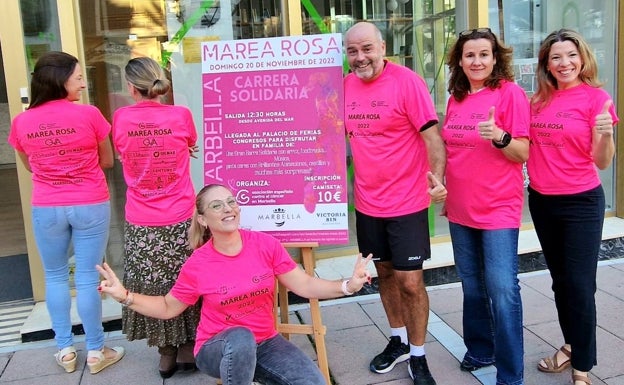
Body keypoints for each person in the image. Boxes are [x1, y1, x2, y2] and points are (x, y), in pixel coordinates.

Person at [96, 183, 373, 385]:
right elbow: (168, 307)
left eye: (231, 201)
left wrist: (348, 285)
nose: (228, 209)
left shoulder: (265, 245)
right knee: (240, 337)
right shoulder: (198, 263)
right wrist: (124, 296)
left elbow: (304, 285)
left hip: (265, 343)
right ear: (203, 220)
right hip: (216, 350)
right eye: (217, 205)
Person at [343, 22, 447, 385]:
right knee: (384, 274)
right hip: (367, 204)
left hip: (407, 203)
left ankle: (418, 355)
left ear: (382, 46)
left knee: (410, 282)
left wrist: (436, 182)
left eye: (367, 48)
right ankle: (398, 340)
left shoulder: (407, 82)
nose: (360, 57)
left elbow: (433, 138)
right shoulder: (343, 86)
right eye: (353, 51)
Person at [7, 51, 124, 374]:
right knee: (88, 278)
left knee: (55, 276)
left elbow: (29, 165)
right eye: (78, 78)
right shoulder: (89, 115)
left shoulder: (22, 121)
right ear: (60, 81)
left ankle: (65, 350)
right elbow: (108, 161)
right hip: (89, 202)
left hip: (47, 205)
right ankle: (97, 351)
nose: (84, 84)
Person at [527, 29, 617, 385]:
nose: (564, 63)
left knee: (580, 284)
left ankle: (582, 367)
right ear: (546, 65)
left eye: (570, 56)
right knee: (561, 282)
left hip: (581, 201)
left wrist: (607, 134)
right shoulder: (536, 101)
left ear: (582, 59)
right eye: (556, 58)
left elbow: (603, 161)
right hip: (542, 201)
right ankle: (569, 345)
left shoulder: (597, 99)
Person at [441, 27, 529, 385]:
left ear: (496, 58)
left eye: (483, 54)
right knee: (472, 285)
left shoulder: (510, 95)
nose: (476, 61)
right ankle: (480, 349)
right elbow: (450, 148)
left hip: (498, 208)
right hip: (460, 207)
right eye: (469, 55)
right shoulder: (456, 98)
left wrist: (501, 137)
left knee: (502, 289)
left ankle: (510, 375)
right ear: (459, 61)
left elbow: (522, 152)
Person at [111, 56, 201, 378]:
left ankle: (166, 355)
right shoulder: (181, 115)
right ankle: (190, 348)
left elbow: (122, 152)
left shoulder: (120, 119)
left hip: (142, 221)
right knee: (186, 281)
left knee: (151, 288)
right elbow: (190, 143)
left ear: (130, 87)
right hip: (181, 218)